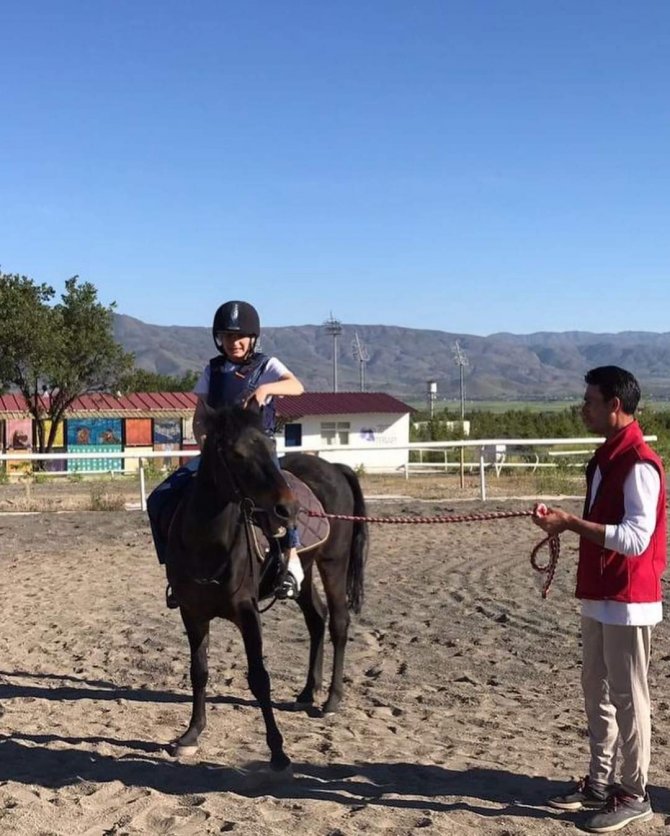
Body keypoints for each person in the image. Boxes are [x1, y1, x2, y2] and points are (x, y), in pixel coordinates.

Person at [532, 366, 666, 833]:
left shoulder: (639, 463)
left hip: (628, 597)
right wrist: (566, 522)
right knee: (597, 690)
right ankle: (601, 780)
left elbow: (635, 539)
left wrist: (570, 523)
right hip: (600, 593)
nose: (583, 407)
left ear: (614, 405)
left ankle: (634, 791)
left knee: (630, 697)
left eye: (589, 400)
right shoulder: (608, 458)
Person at [147, 300, 305, 607]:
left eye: (240, 336)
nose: (234, 342)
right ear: (219, 339)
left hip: (257, 451)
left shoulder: (266, 366)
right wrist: (204, 442)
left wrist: (263, 391)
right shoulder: (213, 369)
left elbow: (296, 386)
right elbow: (200, 415)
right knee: (159, 498)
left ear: (252, 338)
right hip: (219, 454)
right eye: (228, 337)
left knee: (282, 499)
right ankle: (175, 572)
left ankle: (293, 557)